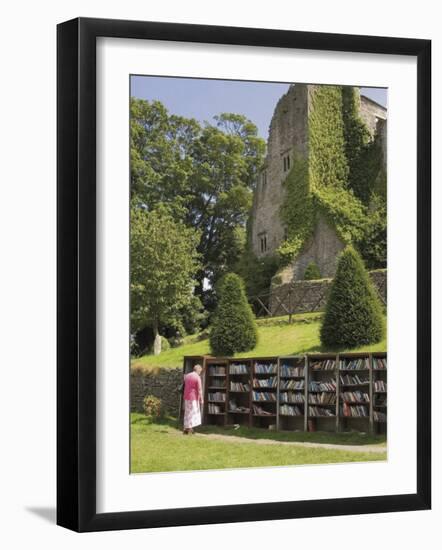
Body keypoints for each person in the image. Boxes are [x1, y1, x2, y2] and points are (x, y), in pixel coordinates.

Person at [183, 364, 203, 434]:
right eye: (200, 371)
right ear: (198, 370)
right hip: (193, 397)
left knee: (187, 412)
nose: (200, 372)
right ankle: (190, 428)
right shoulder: (197, 377)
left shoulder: (187, 376)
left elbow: (185, 385)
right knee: (193, 412)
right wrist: (202, 399)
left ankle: (186, 428)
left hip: (186, 396)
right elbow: (200, 389)